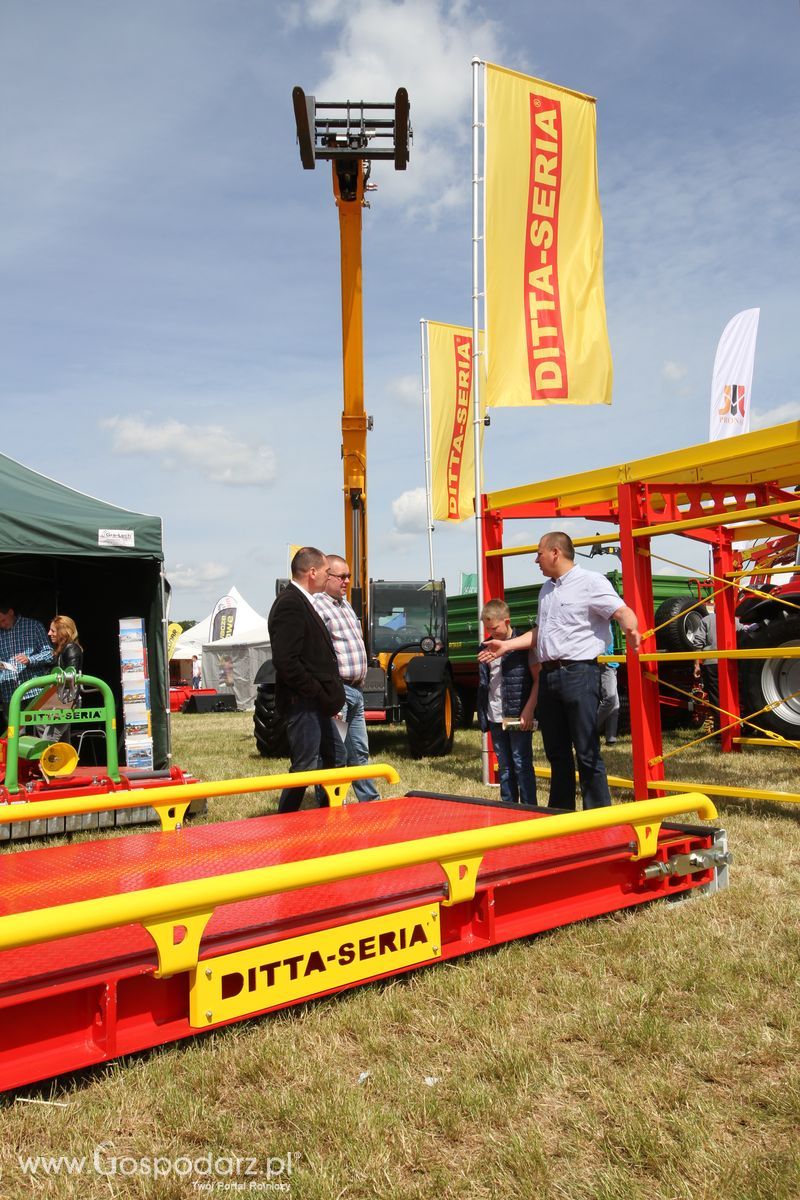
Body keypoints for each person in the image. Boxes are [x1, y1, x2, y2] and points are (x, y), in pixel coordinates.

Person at [479, 532, 641, 810]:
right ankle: (561, 814)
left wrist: (632, 629)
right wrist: (506, 647)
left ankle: (599, 817)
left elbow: (621, 611)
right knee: (557, 753)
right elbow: (540, 633)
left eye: (539, 553)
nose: (536, 560)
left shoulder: (591, 582)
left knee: (587, 752)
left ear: (555, 552)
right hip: (550, 676)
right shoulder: (547, 590)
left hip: (579, 674)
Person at [268, 547, 345, 814]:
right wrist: (316, 692)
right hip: (304, 703)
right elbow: (286, 661)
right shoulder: (290, 603)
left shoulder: (302, 601)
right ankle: (287, 820)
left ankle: (328, 816)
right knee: (305, 766)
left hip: (316, 703)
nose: (329, 576)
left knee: (334, 758)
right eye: (326, 572)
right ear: (312, 572)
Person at [313, 555, 380, 803]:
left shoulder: (346, 605)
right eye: (342, 576)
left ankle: (370, 803)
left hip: (355, 692)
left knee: (359, 751)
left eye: (349, 576)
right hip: (337, 692)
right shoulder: (318, 606)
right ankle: (329, 805)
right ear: (327, 577)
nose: (347, 581)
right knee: (335, 753)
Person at [477, 598, 539, 805]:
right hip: (495, 714)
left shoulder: (523, 644)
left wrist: (529, 709)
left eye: (494, 628)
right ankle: (508, 808)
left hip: (518, 714)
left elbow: (538, 679)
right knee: (504, 766)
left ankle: (530, 809)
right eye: (487, 628)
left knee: (521, 763)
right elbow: (487, 683)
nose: (491, 633)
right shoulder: (485, 646)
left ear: (507, 621)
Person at [0, 602, 53, 731]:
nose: (2, 625)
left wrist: (30, 659)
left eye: (3, 620)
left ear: (11, 612)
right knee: (15, 734)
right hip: (9, 692)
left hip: (33, 689)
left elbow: (50, 654)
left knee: (43, 730)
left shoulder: (33, 626)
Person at [597, 638, 620, 745]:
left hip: (612, 664)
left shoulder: (610, 623)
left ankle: (611, 738)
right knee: (610, 699)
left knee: (615, 704)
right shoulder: (599, 623)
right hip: (605, 665)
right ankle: (587, 730)